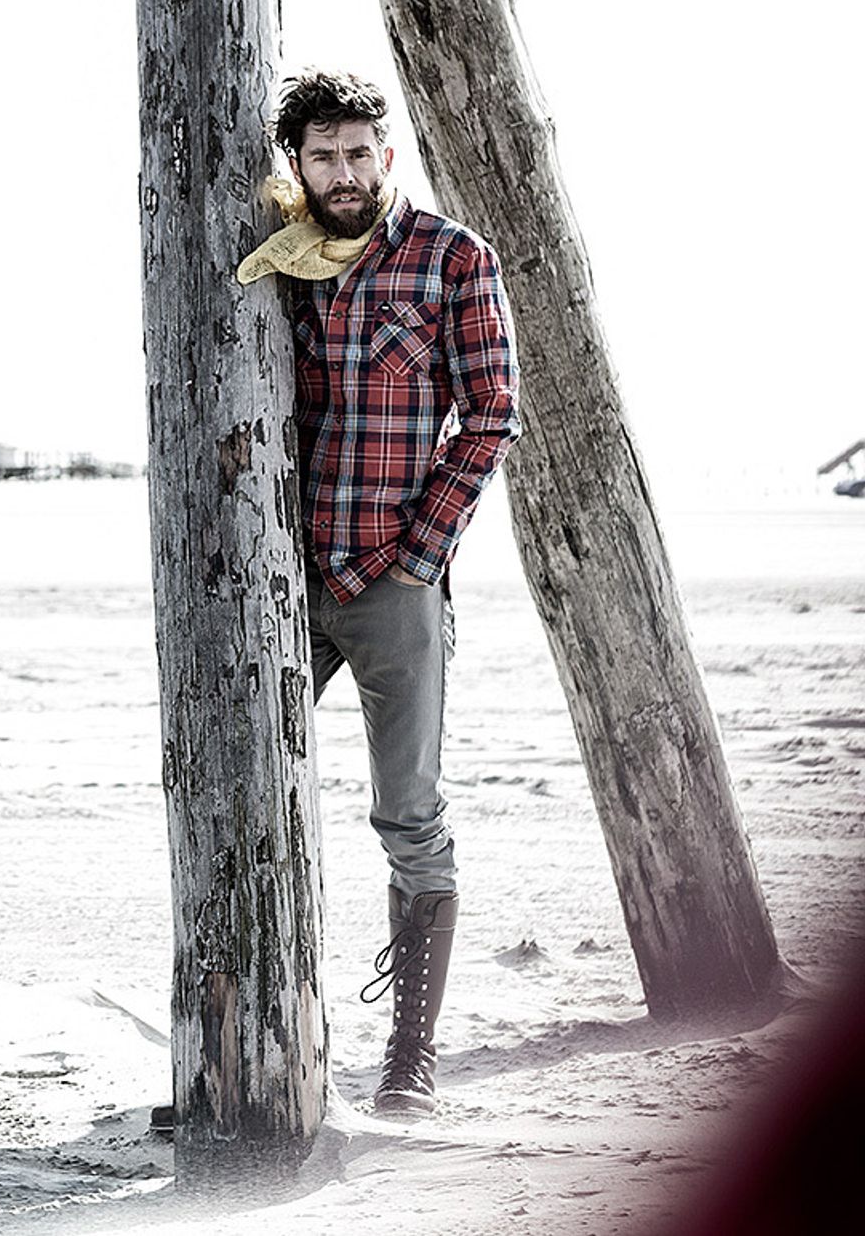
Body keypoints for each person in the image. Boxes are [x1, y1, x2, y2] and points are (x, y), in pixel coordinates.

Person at [238, 68, 521, 1118]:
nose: (342, 174)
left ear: (384, 157)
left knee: (407, 813)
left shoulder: (451, 257)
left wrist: (419, 553)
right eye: (320, 157)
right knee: (240, 779)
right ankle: (257, 1038)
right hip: (281, 582)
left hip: (394, 583)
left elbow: (489, 414)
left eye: (357, 154)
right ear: (296, 167)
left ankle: (409, 1054)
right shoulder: (280, 257)